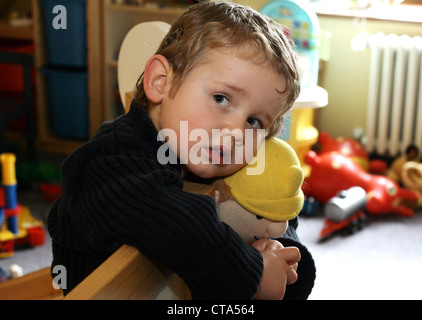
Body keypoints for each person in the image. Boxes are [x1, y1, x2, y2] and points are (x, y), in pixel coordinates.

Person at [48, 0, 315, 299]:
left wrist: (277, 251)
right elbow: (178, 226)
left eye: (254, 121)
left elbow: (275, 212)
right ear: (161, 82)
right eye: (221, 98)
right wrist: (254, 272)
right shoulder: (109, 161)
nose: (235, 132)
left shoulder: (210, 153)